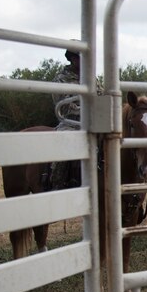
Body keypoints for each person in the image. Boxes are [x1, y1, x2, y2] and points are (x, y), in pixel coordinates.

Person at [48, 48, 82, 190]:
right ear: (73, 59)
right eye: (80, 58)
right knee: (63, 146)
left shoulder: (91, 78)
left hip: (93, 122)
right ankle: (56, 185)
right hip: (70, 123)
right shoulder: (61, 79)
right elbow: (62, 105)